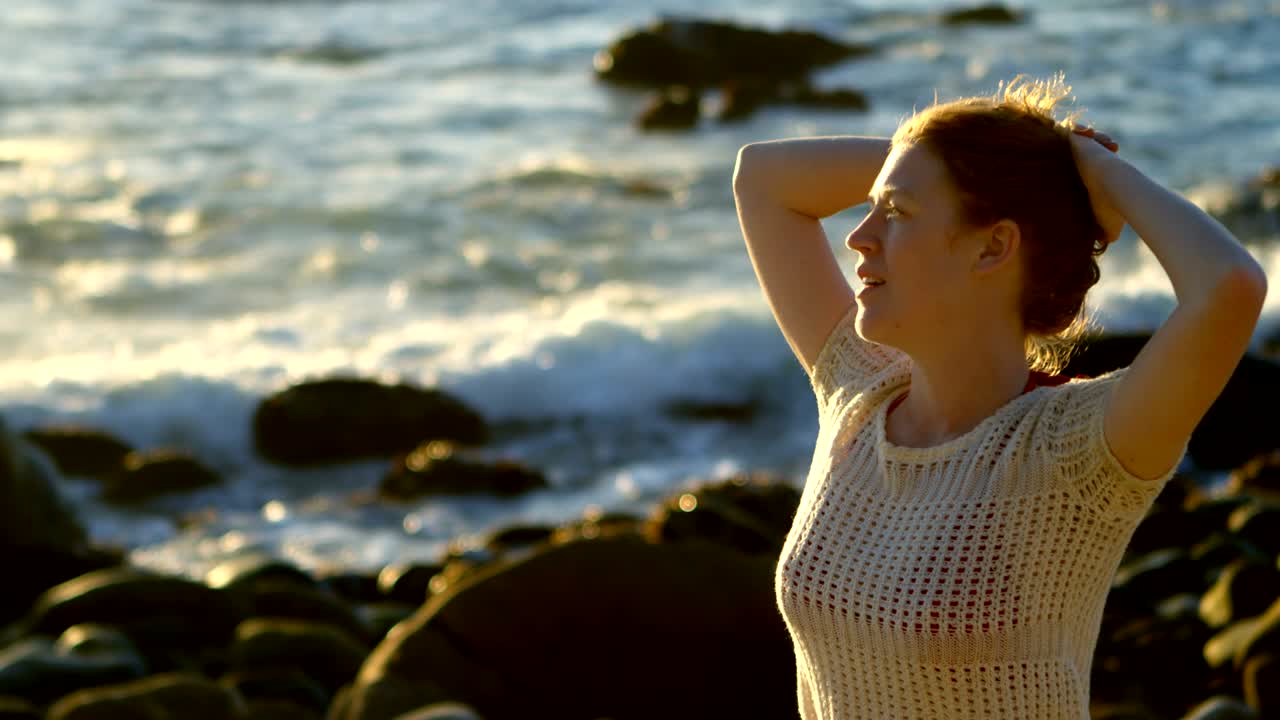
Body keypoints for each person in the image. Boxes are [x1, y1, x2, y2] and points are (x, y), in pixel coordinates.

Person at [731, 74, 1267, 719]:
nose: (859, 235)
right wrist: (991, 167)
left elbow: (1229, 285)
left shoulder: (1077, 452)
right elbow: (762, 177)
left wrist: (1084, 167)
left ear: (994, 246)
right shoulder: (858, 393)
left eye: (895, 213)